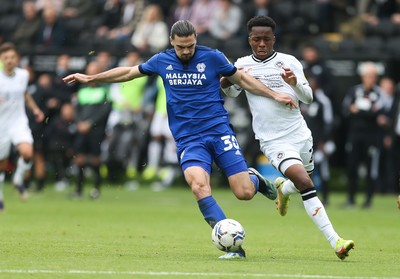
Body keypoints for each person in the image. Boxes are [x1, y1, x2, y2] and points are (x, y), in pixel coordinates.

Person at [63, 19, 296, 259]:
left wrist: (274, 94)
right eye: (181, 47)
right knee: (198, 185)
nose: (186, 51)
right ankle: (233, 245)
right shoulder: (162, 60)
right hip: (189, 139)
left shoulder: (213, 57)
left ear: (196, 39)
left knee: (244, 192)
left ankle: (254, 180)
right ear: (172, 42)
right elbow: (129, 73)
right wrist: (92, 79)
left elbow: (243, 80)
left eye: (190, 46)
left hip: (219, 132)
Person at [220, 16, 354, 260]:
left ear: (274, 39)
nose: (261, 44)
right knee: (306, 184)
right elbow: (230, 91)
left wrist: (295, 84)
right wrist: (228, 77)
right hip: (273, 140)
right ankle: (337, 241)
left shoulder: (289, 62)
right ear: (249, 39)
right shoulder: (242, 64)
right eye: (256, 39)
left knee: (303, 181)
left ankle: (282, 189)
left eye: (266, 39)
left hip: (301, 134)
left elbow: (309, 98)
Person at [0, 42, 44, 211]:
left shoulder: (23, 75)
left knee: (27, 153)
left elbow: (24, 93)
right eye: (6, 58)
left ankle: (18, 179)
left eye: (12, 57)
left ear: (17, 58)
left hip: (18, 121)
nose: (9, 60)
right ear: (1, 59)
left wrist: (35, 109)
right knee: (1, 165)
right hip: (1, 124)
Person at [342, 62, 384, 208]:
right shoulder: (354, 91)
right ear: (362, 77)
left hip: (371, 136)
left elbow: (378, 113)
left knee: (370, 167)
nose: (370, 79)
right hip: (355, 135)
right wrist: (364, 112)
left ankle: (368, 200)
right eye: (368, 76)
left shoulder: (378, 93)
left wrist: (359, 110)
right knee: (352, 166)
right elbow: (346, 110)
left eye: (373, 76)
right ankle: (351, 199)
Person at [71, 61, 111, 199]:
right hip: (82, 129)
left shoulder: (104, 91)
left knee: (95, 159)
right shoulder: (81, 90)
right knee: (80, 159)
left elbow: (104, 111)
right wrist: (79, 123)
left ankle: (96, 189)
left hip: (96, 130)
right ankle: (79, 189)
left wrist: (90, 123)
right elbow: (76, 110)